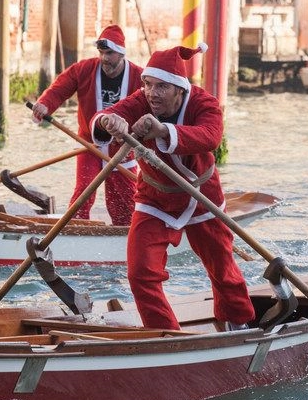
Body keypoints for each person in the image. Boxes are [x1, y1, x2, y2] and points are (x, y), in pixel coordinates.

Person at [89, 43, 256, 331]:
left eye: (161, 87)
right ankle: (164, 335)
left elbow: (210, 136)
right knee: (140, 273)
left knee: (223, 271)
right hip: (155, 197)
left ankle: (239, 323)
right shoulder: (141, 101)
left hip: (202, 197)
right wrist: (108, 120)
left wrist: (163, 130)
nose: (152, 94)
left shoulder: (204, 103)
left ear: (180, 89)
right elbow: (104, 119)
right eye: (148, 85)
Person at [31, 25, 143, 226]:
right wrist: (44, 104)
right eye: (101, 53)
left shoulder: (139, 76)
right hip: (89, 144)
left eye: (109, 53)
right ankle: (75, 229)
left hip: (123, 149)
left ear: (121, 53)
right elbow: (59, 88)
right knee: (84, 190)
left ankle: (127, 235)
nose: (105, 58)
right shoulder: (83, 69)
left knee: (126, 201)